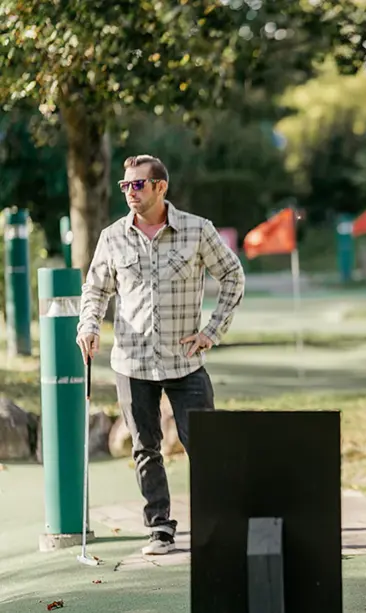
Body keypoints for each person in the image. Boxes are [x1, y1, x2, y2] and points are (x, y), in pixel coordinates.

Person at [76, 154, 245, 555]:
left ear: (160, 187)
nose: (130, 192)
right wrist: (88, 326)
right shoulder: (112, 236)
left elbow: (233, 276)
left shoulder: (197, 230)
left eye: (137, 185)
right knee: (144, 448)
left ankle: (219, 523)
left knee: (204, 444)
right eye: (125, 186)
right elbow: (96, 290)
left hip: (185, 362)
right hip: (132, 363)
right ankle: (160, 529)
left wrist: (211, 331)